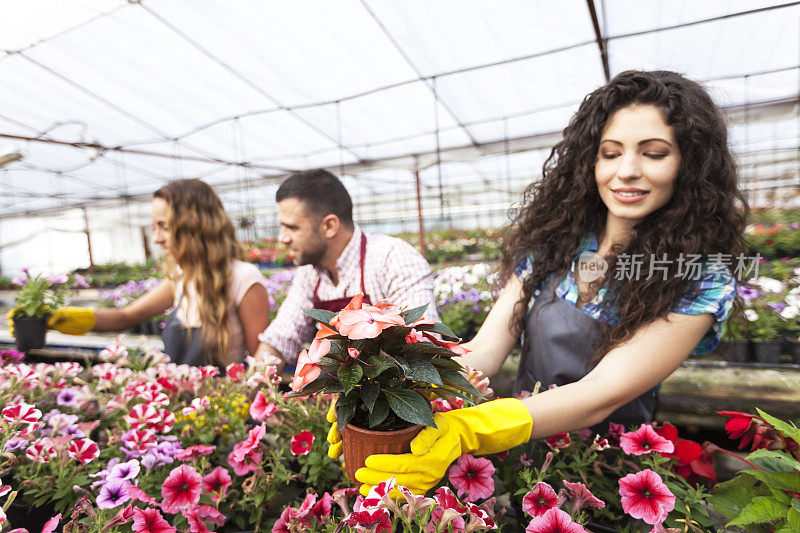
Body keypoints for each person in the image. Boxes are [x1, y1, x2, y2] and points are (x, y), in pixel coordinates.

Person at [346, 70, 748, 495]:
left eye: (654, 153)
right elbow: (484, 350)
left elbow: (603, 392)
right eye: (610, 153)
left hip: (613, 481)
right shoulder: (557, 242)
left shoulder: (699, 277)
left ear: (689, 163)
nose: (626, 171)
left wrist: (474, 427)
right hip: (522, 458)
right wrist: (392, 391)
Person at [41, 179, 271, 367]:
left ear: (197, 228)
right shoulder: (182, 278)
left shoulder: (243, 278)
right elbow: (127, 317)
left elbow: (260, 365)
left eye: (165, 226)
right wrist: (58, 318)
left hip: (223, 414)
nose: (156, 238)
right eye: (154, 226)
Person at [254, 169, 438, 372]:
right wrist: (246, 392)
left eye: (292, 227)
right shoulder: (309, 272)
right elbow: (281, 339)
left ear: (329, 226)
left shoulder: (392, 257)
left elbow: (422, 344)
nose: (282, 238)